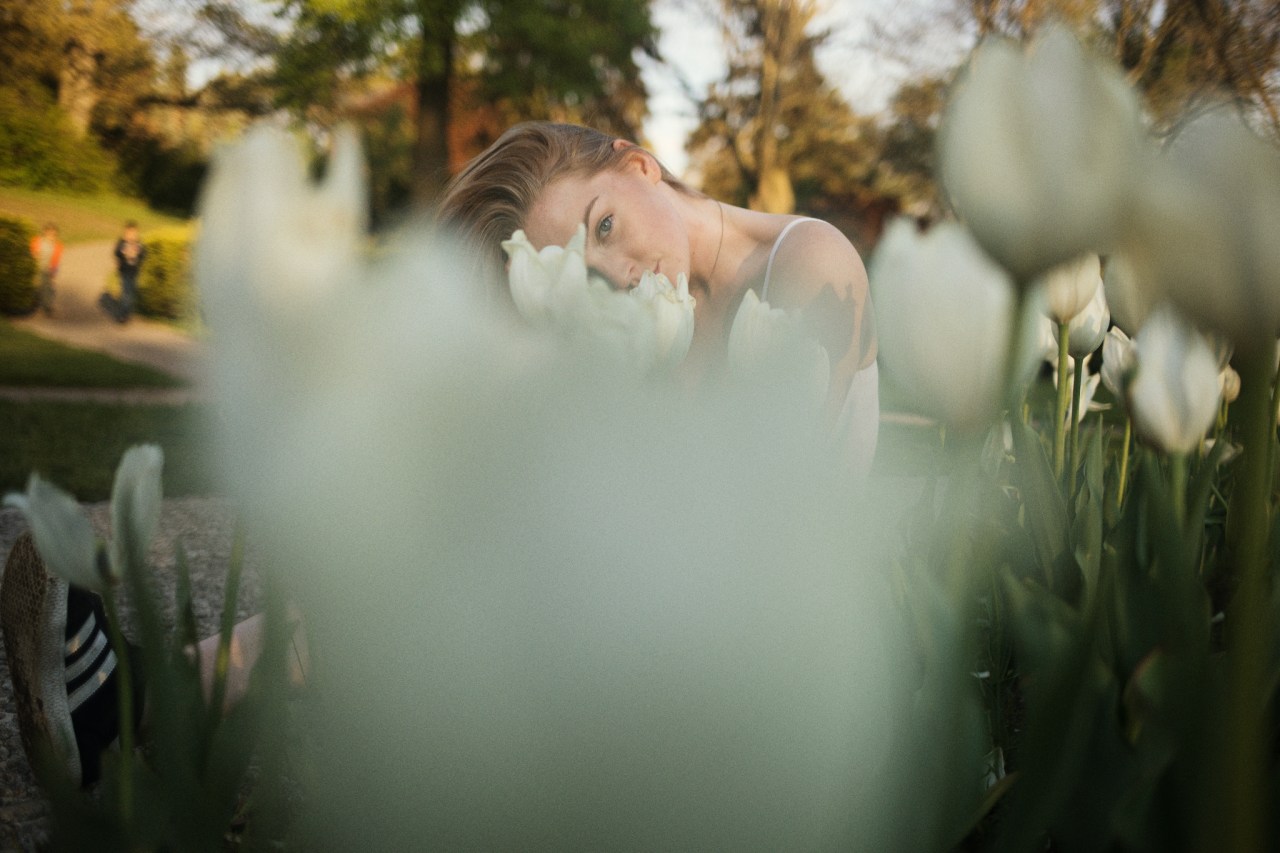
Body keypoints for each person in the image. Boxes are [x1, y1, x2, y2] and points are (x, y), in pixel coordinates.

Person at [2, 121, 879, 789]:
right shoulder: (636, 324)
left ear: (637, 161)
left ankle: (136, 712)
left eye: (603, 223)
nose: (615, 274)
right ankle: (143, 705)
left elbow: (762, 513)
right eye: (578, 273)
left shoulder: (806, 261)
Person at [101, 221, 145, 323]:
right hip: (124, 271)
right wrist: (122, 252)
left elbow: (144, 254)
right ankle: (123, 315)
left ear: (137, 234)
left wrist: (138, 253)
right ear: (125, 233)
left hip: (134, 272)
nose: (131, 236)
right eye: (128, 234)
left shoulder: (138, 244)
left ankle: (128, 311)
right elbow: (116, 252)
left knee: (131, 293)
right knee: (125, 293)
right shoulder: (122, 243)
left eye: (133, 234)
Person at [30, 223, 63, 316]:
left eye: (54, 234)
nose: (51, 236)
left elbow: (56, 261)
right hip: (34, 266)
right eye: (49, 234)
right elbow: (31, 252)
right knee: (34, 286)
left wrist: (54, 272)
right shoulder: (36, 241)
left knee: (47, 288)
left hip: (46, 269)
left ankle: (47, 308)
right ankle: (31, 304)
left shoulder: (57, 246)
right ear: (45, 233)